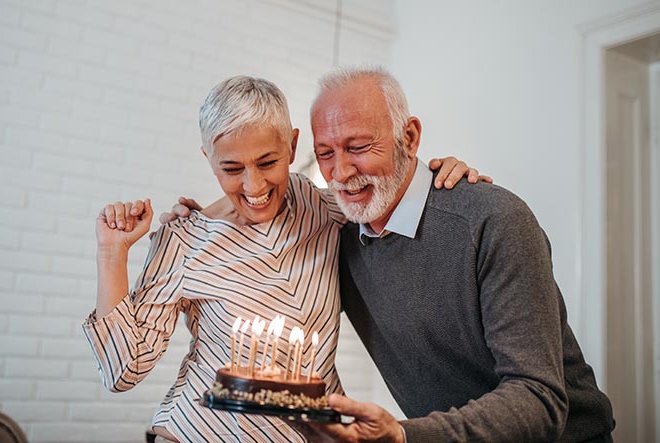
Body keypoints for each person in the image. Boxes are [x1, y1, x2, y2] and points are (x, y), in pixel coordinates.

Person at [172, 67, 615, 442]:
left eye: (359, 147)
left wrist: (405, 436)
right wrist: (194, 219)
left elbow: (539, 398)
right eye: (325, 154)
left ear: (410, 136)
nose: (341, 172)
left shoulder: (492, 220)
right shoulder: (338, 238)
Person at [83, 75, 484, 443]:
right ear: (207, 157)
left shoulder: (320, 206)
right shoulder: (185, 239)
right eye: (231, 168)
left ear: (292, 146)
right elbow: (123, 371)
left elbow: (387, 200)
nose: (253, 185)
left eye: (267, 162)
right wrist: (111, 254)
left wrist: (439, 181)